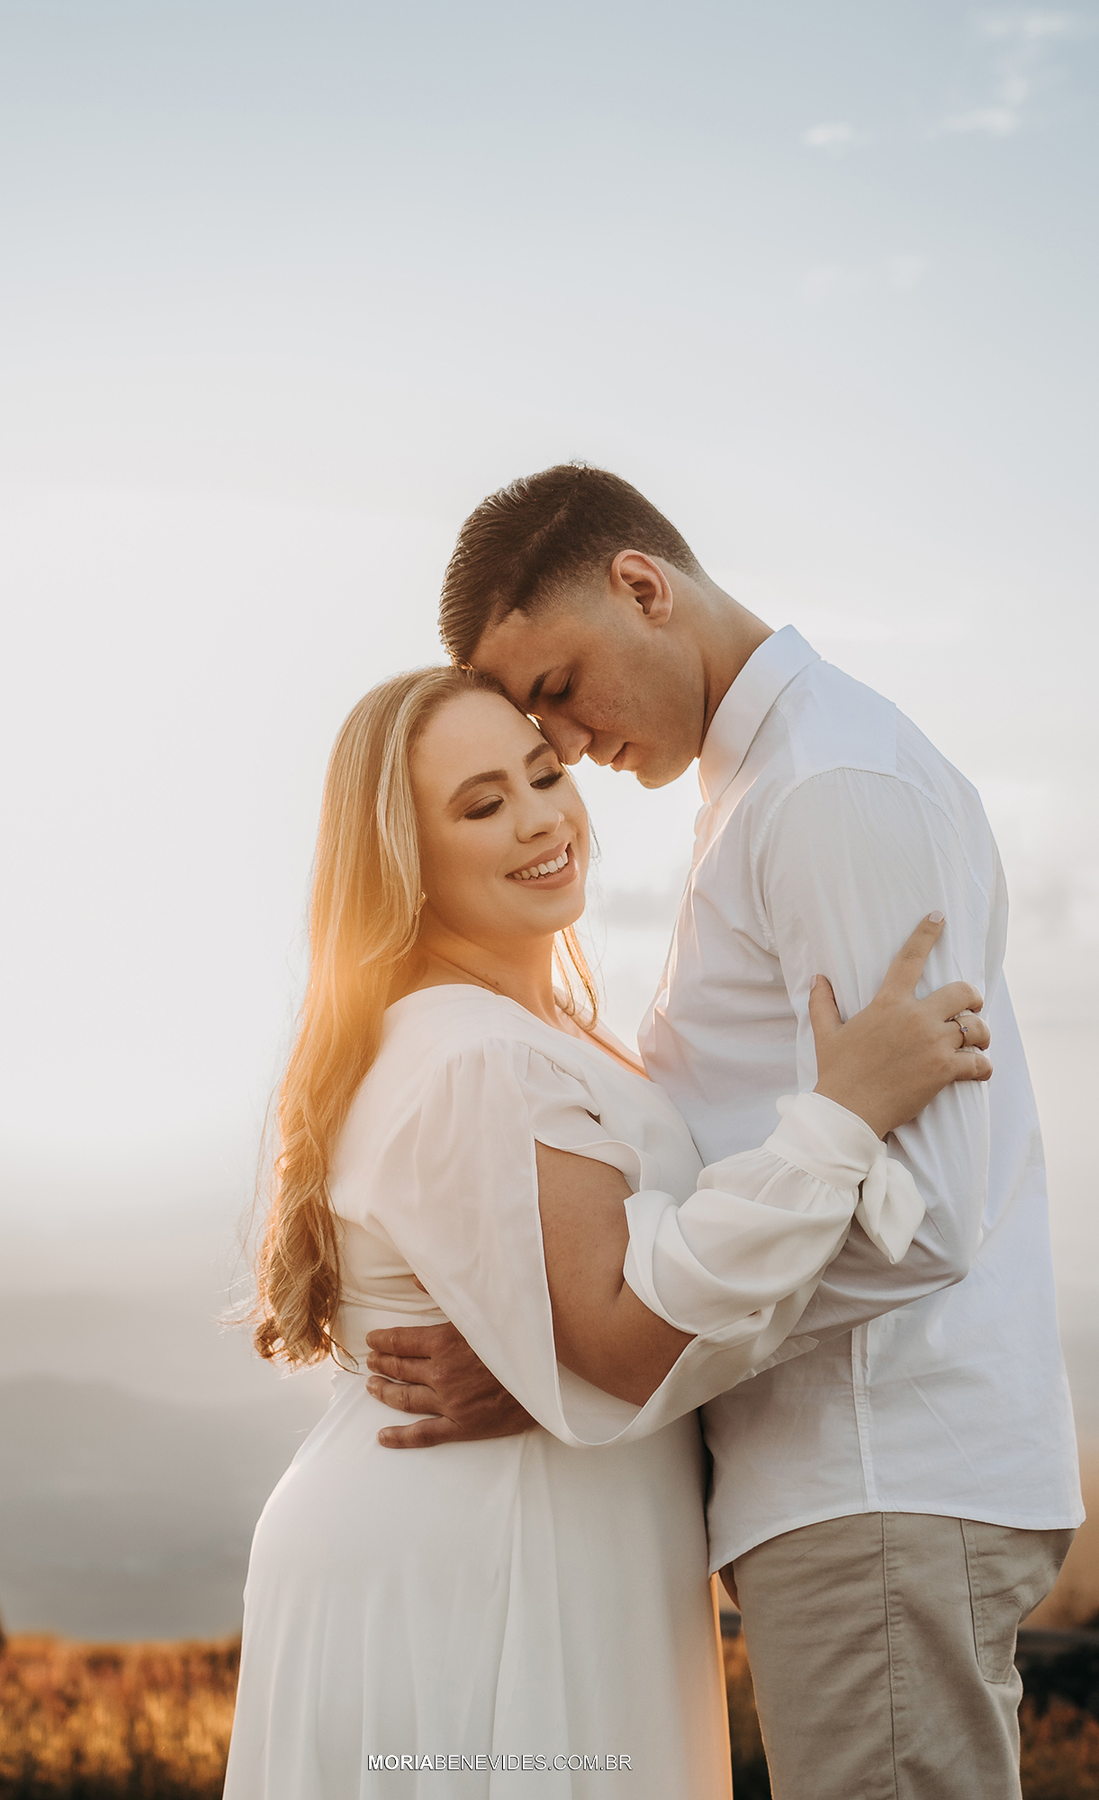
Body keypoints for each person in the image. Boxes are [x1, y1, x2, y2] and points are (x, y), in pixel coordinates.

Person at [368, 465, 1083, 1800]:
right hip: (844, 1483)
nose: (562, 740)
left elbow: (923, 1217)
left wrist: (603, 1361)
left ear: (643, 586)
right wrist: (593, 1349)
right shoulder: (756, 793)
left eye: (559, 686)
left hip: (876, 1473)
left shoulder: (827, 789)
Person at [223, 665, 992, 1800]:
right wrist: (841, 1119)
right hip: (484, 1560)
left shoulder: (542, 1034)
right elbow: (623, 1336)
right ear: (405, 860)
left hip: (535, 1534)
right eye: (481, 805)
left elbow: (590, 1316)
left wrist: (541, 1365)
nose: (539, 818)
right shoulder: (478, 1054)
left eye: (543, 775)